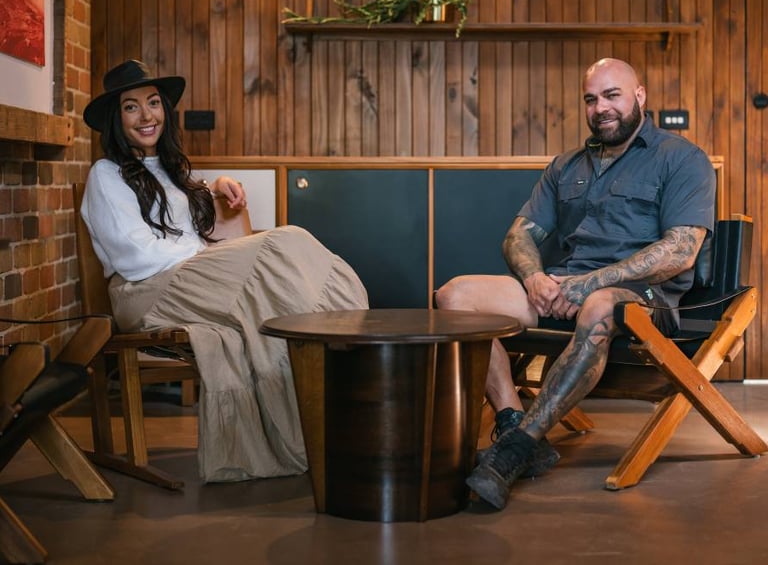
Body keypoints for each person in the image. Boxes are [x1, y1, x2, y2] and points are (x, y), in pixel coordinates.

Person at [435, 58, 715, 510]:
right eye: (591, 99)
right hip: (565, 289)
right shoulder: (566, 166)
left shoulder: (681, 158)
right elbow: (519, 234)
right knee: (455, 296)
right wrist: (535, 278)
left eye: (612, 95)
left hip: (645, 298)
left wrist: (586, 286)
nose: (601, 107)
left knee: (600, 303)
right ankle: (511, 419)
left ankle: (515, 450)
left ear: (639, 96)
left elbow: (680, 251)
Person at [80, 59, 368, 483]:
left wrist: (217, 185)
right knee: (287, 240)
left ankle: (324, 403)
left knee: (269, 314)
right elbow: (134, 255)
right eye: (131, 107)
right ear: (114, 118)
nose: (146, 116)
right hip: (146, 292)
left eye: (154, 103)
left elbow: (190, 218)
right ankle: (346, 344)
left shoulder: (174, 171)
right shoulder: (105, 175)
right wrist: (203, 257)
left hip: (184, 279)